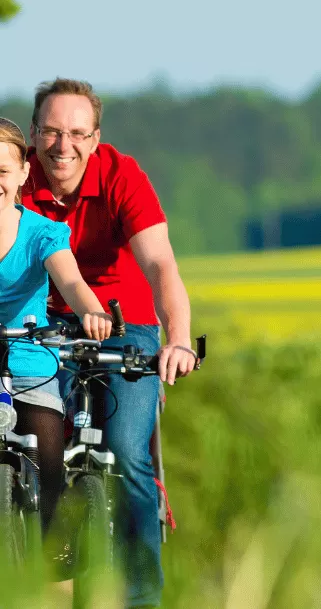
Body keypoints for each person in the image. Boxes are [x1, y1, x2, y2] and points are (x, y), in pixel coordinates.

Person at [21, 78, 196, 609]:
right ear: (33, 134)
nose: (62, 145)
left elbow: (160, 263)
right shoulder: (14, 177)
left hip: (126, 325)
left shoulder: (121, 176)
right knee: (25, 446)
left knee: (124, 450)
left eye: (76, 133)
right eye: (50, 131)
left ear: (95, 139)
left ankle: (142, 596)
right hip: (39, 326)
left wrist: (179, 337)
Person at [0, 117, 113, 536]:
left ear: (24, 173)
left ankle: (54, 543)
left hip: (29, 357)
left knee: (47, 448)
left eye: (2, 172)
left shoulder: (43, 232)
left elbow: (71, 281)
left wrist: (92, 312)